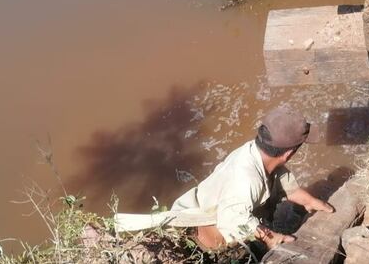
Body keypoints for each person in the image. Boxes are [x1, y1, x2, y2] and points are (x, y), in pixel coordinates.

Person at [114, 106, 334, 250]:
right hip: (204, 237)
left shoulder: (259, 154)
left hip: (217, 208)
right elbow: (234, 221)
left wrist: (313, 202)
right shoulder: (247, 178)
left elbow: (288, 186)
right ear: (288, 153)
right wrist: (274, 238)